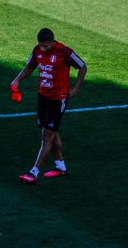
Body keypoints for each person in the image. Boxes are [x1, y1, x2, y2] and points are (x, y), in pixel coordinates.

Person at [10, 28, 87, 184]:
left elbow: (82, 66)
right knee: (52, 132)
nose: (43, 49)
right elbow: (29, 67)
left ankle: (34, 172)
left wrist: (76, 88)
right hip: (43, 97)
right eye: (40, 46)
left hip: (58, 100)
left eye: (45, 46)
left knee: (46, 136)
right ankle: (60, 166)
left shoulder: (64, 52)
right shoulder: (37, 50)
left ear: (53, 41)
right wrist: (16, 80)